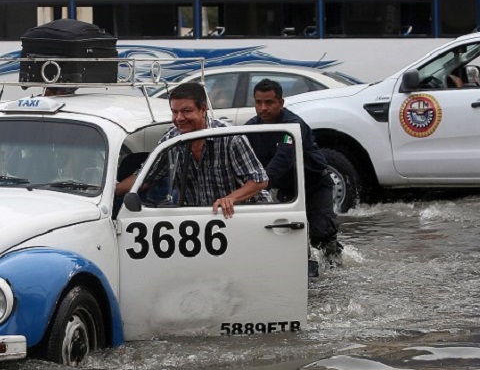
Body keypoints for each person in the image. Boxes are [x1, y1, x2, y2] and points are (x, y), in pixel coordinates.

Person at [116, 82, 269, 218]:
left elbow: (259, 181)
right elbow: (144, 178)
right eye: (175, 112)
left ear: (203, 110)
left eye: (186, 111)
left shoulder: (230, 137)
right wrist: (112, 191)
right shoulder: (171, 141)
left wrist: (231, 199)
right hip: (202, 219)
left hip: (244, 216)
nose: (179, 118)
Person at [245, 78, 342, 268]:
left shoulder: (292, 126)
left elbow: (283, 160)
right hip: (288, 189)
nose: (263, 108)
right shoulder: (251, 128)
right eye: (258, 102)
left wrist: (258, 185)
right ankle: (303, 268)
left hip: (315, 185)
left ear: (280, 103)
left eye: (269, 102)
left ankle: (335, 269)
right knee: (288, 234)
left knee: (321, 233)